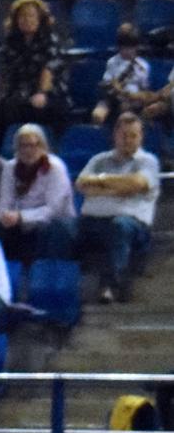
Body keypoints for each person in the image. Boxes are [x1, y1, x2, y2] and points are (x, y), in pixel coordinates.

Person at [75, 111, 159, 303]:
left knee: (120, 226)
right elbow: (81, 185)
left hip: (133, 225)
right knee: (61, 228)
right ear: (115, 135)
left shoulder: (148, 161)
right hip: (93, 221)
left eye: (133, 135)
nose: (128, 140)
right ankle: (59, 285)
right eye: (124, 135)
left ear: (141, 137)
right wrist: (118, 187)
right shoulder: (99, 160)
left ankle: (110, 286)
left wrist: (101, 184)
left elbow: (137, 184)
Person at [0, 124, 77, 265]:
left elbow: (53, 209)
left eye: (33, 145)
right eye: (23, 146)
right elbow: (4, 200)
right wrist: (4, 216)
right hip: (19, 220)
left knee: (47, 229)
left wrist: (21, 217)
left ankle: (40, 274)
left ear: (43, 146)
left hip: (54, 222)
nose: (28, 150)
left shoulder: (55, 167)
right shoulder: (10, 167)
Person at [0, 0, 70, 138]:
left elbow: (48, 69)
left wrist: (42, 93)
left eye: (31, 15)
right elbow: (0, 69)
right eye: (22, 16)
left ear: (40, 18)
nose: (26, 19)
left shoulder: (50, 40)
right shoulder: (9, 42)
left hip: (48, 94)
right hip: (17, 94)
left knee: (50, 110)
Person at [91, 24, 152, 127]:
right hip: (112, 97)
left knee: (124, 108)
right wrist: (113, 86)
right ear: (119, 47)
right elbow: (107, 83)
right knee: (97, 115)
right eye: (124, 48)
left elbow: (144, 90)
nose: (127, 51)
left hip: (132, 99)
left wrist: (133, 97)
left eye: (131, 48)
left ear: (136, 47)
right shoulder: (112, 62)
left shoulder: (143, 66)